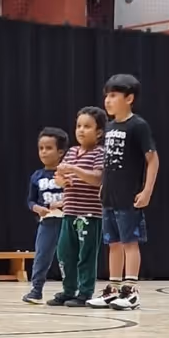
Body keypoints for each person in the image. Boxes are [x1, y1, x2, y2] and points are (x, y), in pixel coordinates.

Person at [97, 74, 159, 312]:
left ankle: (130, 290)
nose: (108, 100)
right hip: (109, 195)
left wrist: (147, 190)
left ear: (129, 98)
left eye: (113, 95)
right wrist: (104, 183)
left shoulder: (138, 126)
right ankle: (112, 290)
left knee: (129, 242)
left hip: (128, 196)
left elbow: (153, 160)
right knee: (112, 242)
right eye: (107, 96)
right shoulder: (110, 126)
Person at [52, 107, 106, 307]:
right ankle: (68, 290)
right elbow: (58, 177)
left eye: (87, 126)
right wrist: (62, 181)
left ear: (99, 132)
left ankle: (85, 292)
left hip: (90, 215)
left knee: (86, 256)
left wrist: (74, 169)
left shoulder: (99, 153)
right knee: (65, 253)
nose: (81, 130)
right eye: (79, 126)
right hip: (69, 212)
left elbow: (97, 179)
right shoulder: (72, 151)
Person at [22, 127, 70, 305]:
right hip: (47, 222)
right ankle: (36, 290)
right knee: (42, 255)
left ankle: (70, 289)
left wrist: (62, 203)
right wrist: (37, 208)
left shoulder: (68, 174)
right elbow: (30, 200)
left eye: (48, 148)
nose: (43, 152)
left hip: (67, 221)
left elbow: (76, 195)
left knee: (68, 257)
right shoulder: (37, 176)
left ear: (60, 152)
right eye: (41, 148)